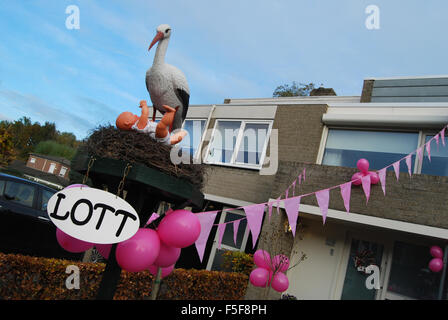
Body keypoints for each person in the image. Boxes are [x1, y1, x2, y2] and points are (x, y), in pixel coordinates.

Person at [116, 100, 186, 145]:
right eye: (132, 114)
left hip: (160, 139)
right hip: (159, 136)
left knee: (170, 139)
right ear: (127, 122)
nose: (135, 114)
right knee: (161, 126)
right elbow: (145, 113)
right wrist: (144, 105)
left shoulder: (138, 130)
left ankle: (180, 136)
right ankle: (171, 113)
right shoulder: (138, 125)